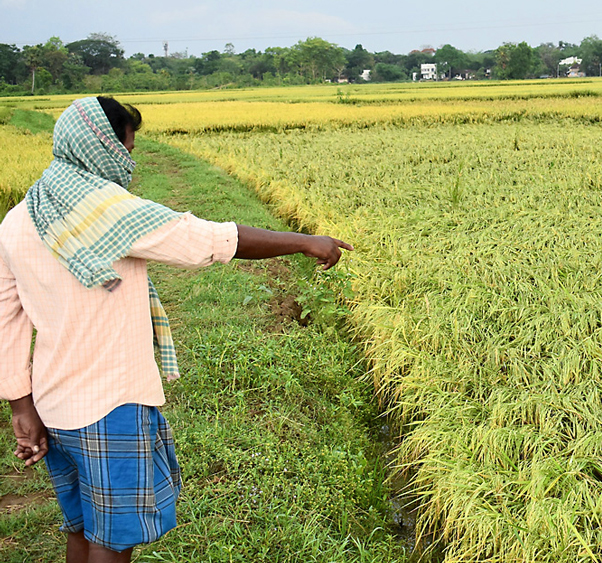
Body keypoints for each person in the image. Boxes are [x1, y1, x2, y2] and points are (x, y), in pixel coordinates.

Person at [0, 97, 353, 562]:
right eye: (128, 145)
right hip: (111, 404)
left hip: (53, 402)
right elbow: (209, 240)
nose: (130, 157)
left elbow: (6, 322)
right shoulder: (109, 211)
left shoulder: (20, 218)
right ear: (104, 147)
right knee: (114, 538)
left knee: (82, 526)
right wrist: (306, 241)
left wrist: (22, 407)